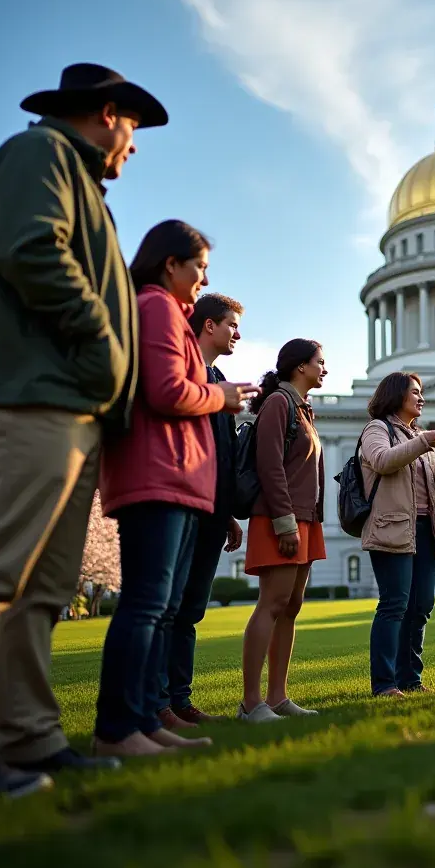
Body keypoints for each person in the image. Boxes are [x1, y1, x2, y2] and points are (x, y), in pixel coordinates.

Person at [0, 64, 165, 803]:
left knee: (41, 587)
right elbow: (34, 251)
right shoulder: (42, 156)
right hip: (31, 395)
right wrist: (104, 345)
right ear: (106, 114)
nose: (133, 147)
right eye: (133, 129)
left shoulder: (75, 178)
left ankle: (30, 738)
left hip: (69, 404)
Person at [93, 221, 257, 757]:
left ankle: (142, 720)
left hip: (171, 477)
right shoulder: (158, 307)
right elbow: (166, 392)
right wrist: (223, 398)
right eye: (200, 266)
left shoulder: (163, 312)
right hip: (157, 474)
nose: (203, 277)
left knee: (160, 608)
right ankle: (119, 728)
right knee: (146, 606)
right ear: (171, 264)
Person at [159, 294, 246, 728]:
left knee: (191, 608)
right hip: (185, 503)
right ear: (209, 326)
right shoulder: (183, 371)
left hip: (213, 508)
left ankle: (179, 699)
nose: (238, 333)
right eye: (231, 325)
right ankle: (157, 703)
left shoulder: (218, 376)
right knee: (169, 605)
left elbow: (222, 452)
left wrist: (227, 511)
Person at [238, 339, 327, 723]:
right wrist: (285, 522)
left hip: (305, 519)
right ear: (300, 367)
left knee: (291, 606)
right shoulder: (279, 403)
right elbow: (270, 465)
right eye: (320, 362)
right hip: (281, 520)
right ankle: (250, 703)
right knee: (272, 604)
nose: (324, 368)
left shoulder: (305, 409)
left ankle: (277, 697)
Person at [360, 372, 435, 697]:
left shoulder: (419, 435)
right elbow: (380, 461)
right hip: (392, 527)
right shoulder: (378, 429)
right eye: (415, 392)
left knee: (421, 606)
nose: (421, 398)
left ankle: (410, 679)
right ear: (396, 395)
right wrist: (421, 444)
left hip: (424, 528)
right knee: (394, 604)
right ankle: (384, 683)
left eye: (421, 393)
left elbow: (433, 487)